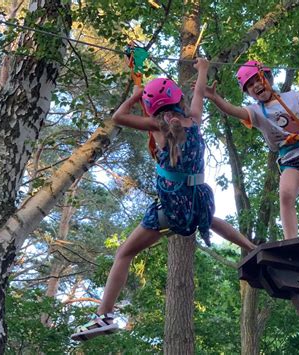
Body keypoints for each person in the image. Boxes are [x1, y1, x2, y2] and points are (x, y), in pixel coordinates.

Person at [71, 58, 256, 341]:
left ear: (152, 107)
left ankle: (103, 316)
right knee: (211, 221)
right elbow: (197, 94)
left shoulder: (156, 126)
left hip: (170, 209)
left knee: (124, 253)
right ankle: (251, 247)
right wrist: (203, 69)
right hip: (196, 202)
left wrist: (134, 96)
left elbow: (118, 117)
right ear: (178, 100)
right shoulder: (194, 120)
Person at [205, 60, 299, 241]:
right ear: (249, 94)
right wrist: (216, 99)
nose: (256, 86)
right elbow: (233, 110)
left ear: (269, 77)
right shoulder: (255, 112)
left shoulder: (292, 96)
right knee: (285, 195)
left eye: (258, 79)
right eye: (250, 85)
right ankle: (290, 243)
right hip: (290, 159)